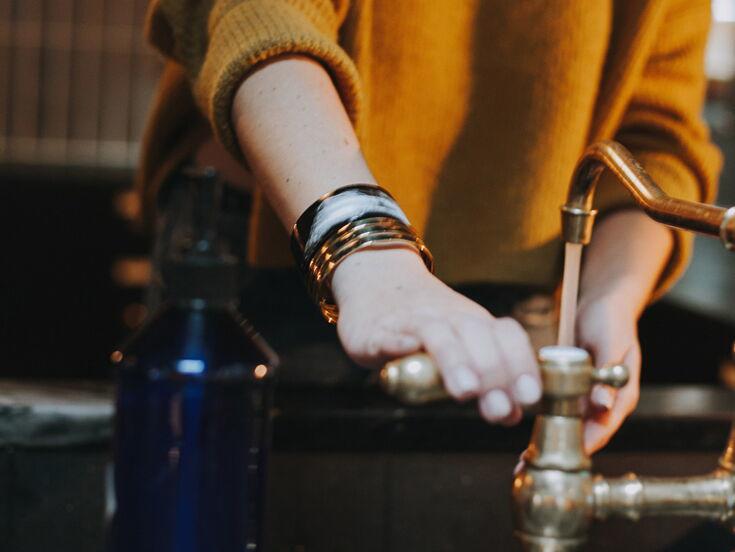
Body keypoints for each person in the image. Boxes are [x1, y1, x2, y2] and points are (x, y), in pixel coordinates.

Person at [138, 0, 721, 452]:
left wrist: (607, 298)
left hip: (522, 305)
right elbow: (260, 18)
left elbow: (652, 135)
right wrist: (363, 240)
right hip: (278, 240)